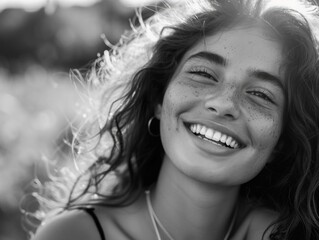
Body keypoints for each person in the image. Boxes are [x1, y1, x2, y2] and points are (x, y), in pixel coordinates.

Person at [30, 0, 319, 239]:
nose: (224, 104)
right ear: (158, 97)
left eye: (260, 94)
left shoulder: (289, 234)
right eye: (204, 74)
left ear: (282, 140)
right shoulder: (72, 235)